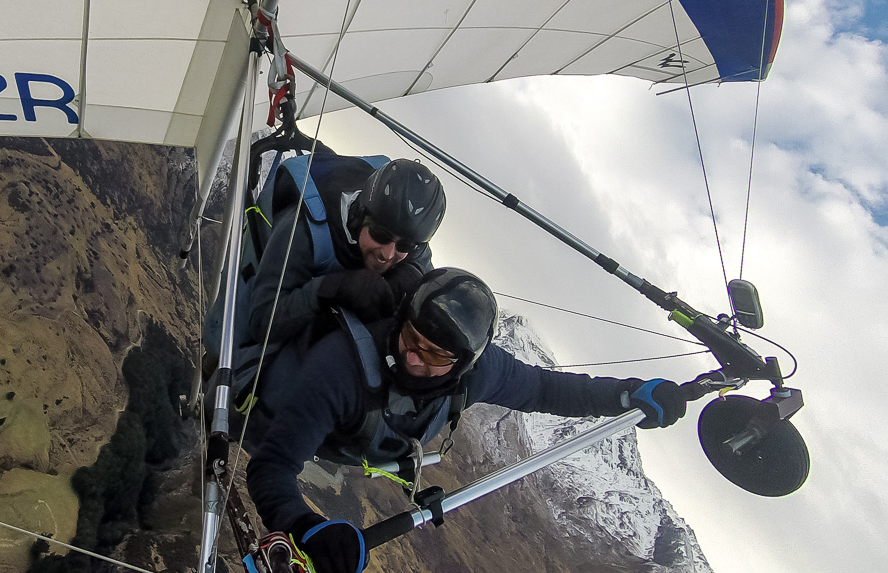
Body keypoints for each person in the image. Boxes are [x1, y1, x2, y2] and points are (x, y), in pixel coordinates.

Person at [237, 268, 688, 573]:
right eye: (410, 337)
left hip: (373, 438)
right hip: (314, 427)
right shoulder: (341, 366)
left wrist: (626, 394)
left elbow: (544, 389)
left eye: (433, 354)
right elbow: (272, 465)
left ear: (463, 363)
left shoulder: (480, 372)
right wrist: (303, 524)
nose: (411, 356)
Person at [241, 156, 447, 348]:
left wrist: (411, 272)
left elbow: (423, 268)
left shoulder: (408, 232)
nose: (388, 254)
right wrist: (330, 289)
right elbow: (261, 320)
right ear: (358, 216)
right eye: (380, 235)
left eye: (405, 246)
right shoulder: (302, 229)